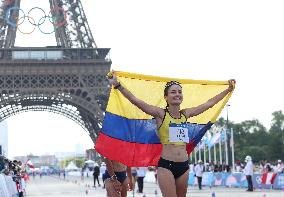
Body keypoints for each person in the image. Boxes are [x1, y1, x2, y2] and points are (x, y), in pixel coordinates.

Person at [107, 71, 235, 197]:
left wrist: (227, 90)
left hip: (184, 165)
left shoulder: (186, 114)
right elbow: (136, 101)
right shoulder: (160, 114)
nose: (177, 94)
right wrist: (118, 85)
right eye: (173, 92)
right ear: (166, 97)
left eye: (179, 92)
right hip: (166, 165)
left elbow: (209, 103)